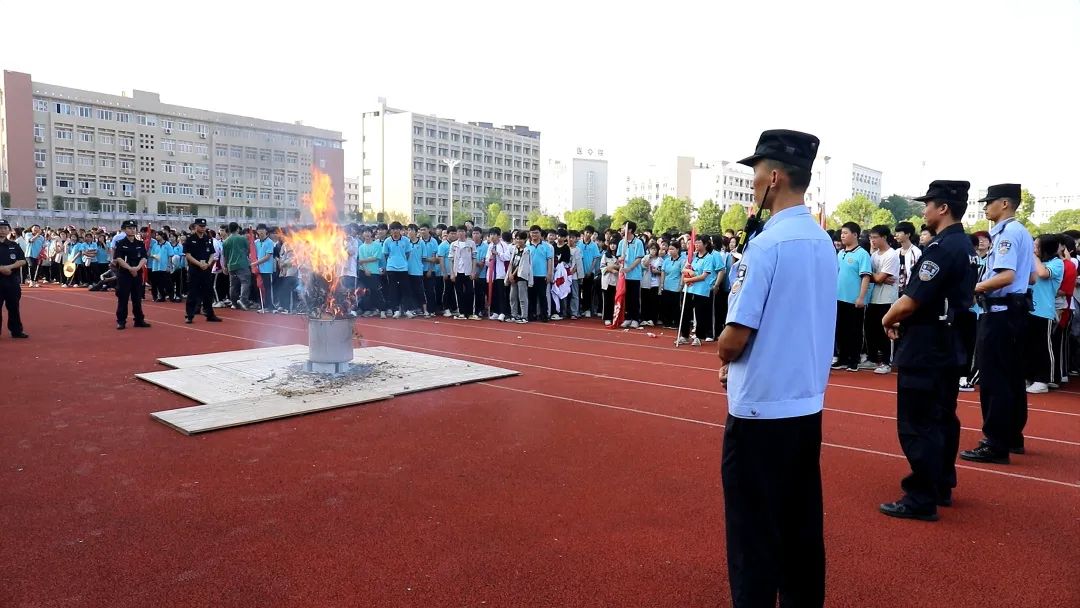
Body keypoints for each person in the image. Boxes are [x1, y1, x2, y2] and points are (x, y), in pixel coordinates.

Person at [717, 130, 834, 608]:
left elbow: (735, 337)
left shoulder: (767, 246)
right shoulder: (822, 242)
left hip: (760, 410)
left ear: (776, 177)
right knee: (801, 523)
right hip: (805, 405)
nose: (753, 183)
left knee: (753, 531)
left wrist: (722, 355)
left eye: (757, 173)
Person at [878, 180, 977, 521]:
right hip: (948, 343)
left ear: (943, 208)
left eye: (928, 204)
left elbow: (911, 300)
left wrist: (887, 318)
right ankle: (940, 484)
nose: (924, 211)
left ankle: (921, 496)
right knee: (943, 417)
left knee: (918, 422)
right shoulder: (964, 245)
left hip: (927, 346)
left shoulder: (942, 249)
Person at [961, 183, 1033, 464]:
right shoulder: (1020, 232)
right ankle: (1012, 436)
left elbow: (1006, 276)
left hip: (1000, 313)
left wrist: (974, 288)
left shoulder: (1007, 234)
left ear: (1004, 203)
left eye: (989, 202)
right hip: (1014, 312)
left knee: (994, 379)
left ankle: (995, 442)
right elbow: (1030, 276)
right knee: (1012, 378)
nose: (985, 207)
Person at [1025, 234, 1064, 394]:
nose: (1034, 248)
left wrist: (1033, 256)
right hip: (1028, 309)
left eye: (1036, 246)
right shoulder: (1034, 261)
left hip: (1043, 311)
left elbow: (1042, 274)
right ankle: (1029, 377)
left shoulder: (1057, 263)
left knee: (1043, 347)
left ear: (1046, 248)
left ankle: (1043, 379)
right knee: (1028, 347)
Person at [833, 222, 872, 371]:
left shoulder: (862, 254)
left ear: (855, 235)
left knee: (854, 331)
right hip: (839, 298)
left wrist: (861, 297)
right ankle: (842, 358)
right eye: (842, 233)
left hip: (854, 300)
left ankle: (854, 360)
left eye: (845, 233)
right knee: (840, 329)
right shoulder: (840, 253)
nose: (842, 236)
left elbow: (866, 277)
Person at [865, 225, 900, 374]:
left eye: (875, 237)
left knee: (885, 329)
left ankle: (886, 361)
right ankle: (872, 358)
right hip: (874, 297)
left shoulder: (891, 255)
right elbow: (875, 277)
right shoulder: (874, 255)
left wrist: (872, 276)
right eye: (871, 238)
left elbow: (877, 277)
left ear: (884, 237)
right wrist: (877, 277)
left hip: (887, 298)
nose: (872, 240)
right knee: (870, 328)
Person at [182, 218, 223, 324]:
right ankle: (189, 315)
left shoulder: (208, 239)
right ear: (195, 226)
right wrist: (199, 264)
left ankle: (210, 314)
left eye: (204, 226)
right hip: (195, 269)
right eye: (200, 226)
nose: (203, 228)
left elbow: (212, 253)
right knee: (192, 293)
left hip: (206, 269)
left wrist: (208, 263)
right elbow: (188, 255)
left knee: (208, 292)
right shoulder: (190, 239)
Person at [113, 219, 152, 330]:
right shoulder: (120, 243)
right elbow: (118, 258)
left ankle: (139, 320)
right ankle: (121, 321)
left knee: (137, 298)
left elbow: (144, 258)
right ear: (124, 230)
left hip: (137, 274)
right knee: (123, 298)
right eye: (129, 228)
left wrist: (137, 268)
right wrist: (130, 268)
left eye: (134, 228)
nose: (132, 230)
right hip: (124, 274)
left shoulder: (140, 243)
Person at [677, 236, 714, 346]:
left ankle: (698, 337)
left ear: (705, 244)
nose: (696, 245)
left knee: (700, 314)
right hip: (689, 289)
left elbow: (704, 276)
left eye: (699, 243)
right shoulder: (692, 256)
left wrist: (690, 279)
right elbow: (683, 269)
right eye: (696, 243)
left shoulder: (709, 258)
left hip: (701, 290)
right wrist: (689, 272)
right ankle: (684, 335)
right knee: (685, 313)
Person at [0, 220, 29, 339]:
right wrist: (1, 269)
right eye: (0, 228)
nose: (2, 231)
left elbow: (22, 260)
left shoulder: (14, 245)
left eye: (5, 228)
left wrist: (9, 267)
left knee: (14, 307)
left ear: (9, 230)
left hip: (12, 281)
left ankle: (16, 330)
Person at [616, 221, 646, 328]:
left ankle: (635, 318)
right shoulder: (621, 242)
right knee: (626, 298)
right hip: (624, 275)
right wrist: (620, 259)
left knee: (634, 297)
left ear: (630, 229)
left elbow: (639, 258)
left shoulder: (638, 242)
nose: (622, 229)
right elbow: (619, 256)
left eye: (624, 227)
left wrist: (629, 268)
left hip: (634, 275)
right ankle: (628, 318)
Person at [526, 225, 554, 322]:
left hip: (542, 275)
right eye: (532, 233)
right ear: (530, 234)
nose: (534, 234)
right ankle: (531, 315)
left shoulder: (546, 246)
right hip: (530, 275)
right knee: (531, 296)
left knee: (542, 296)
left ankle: (544, 315)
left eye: (536, 232)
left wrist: (549, 273)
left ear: (540, 233)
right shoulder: (527, 246)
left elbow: (549, 260)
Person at [221, 223, 252, 310]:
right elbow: (248, 250)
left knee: (233, 285)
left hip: (231, 265)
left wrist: (225, 266)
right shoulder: (242, 238)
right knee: (245, 282)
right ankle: (243, 300)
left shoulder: (226, 241)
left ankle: (234, 303)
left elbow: (225, 255)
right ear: (237, 229)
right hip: (242, 264)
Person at [252, 224, 276, 312]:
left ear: (266, 231)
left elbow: (267, 257)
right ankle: (263, 305)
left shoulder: (269, 242)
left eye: (262, 230)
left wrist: (255, 263)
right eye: (259, 231)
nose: (261, 233)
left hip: (267, 269)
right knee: (260, 287)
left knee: (268, 287)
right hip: (258, 269)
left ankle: (270, 305)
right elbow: (253, 253)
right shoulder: (256, 242)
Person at [894, 222, 922, 295]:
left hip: (910, 290)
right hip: (895, 288)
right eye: (896, 232)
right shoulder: (896, 252)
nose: (897, 235)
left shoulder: (916, 252)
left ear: (908, 234)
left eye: (900, 232)